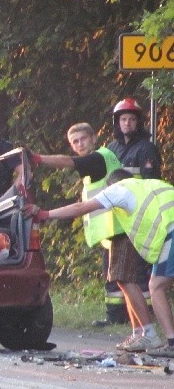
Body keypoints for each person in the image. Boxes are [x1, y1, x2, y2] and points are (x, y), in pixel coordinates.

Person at [28, 123, 153, 344]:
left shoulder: (98, 158)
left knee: (127, 281)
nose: (79, 145)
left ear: (94, 138)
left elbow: (67, 163)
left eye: (83, 139)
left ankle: (149, 333)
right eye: (74, 142)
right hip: (120, 230)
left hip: (123, 229)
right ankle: (138, 334)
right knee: (124, 282)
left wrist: (38, 158)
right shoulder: (99, 163)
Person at [26, 168, 172, 354]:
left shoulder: (119, 189)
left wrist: (45, 215)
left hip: (171, 230)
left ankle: (167, 341)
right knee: (154, 283)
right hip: (169, 229)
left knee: (156, 286)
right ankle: (149, 335)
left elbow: (81, 208)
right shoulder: (151, 184)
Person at [97, 98, 162, 326]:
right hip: (115, 219)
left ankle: (147, 316)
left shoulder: (146, 148)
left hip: (138, 216)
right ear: (117, 122)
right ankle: (114, 316)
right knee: (112, 266)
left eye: (132, 119)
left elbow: (150, 185)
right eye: (123, 119)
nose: (127, 123)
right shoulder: (111, 149)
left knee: (137, 269)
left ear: (138, 122)